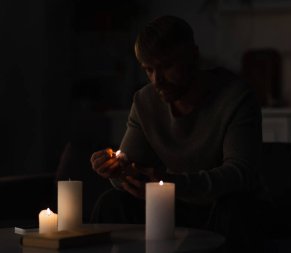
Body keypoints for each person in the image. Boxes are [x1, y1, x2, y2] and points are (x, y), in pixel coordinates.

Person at [90, 15, 274, 252]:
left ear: (194, 56)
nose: (157, 80)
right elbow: (128, 168)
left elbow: (239, 174)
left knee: (237, 209)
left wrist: (172, 185)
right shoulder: (145, 101)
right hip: (173, 205)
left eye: (166, 67)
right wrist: (116, 171)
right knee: (112, 203)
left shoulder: (235, 97)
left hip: (223, 204)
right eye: (149, 70)